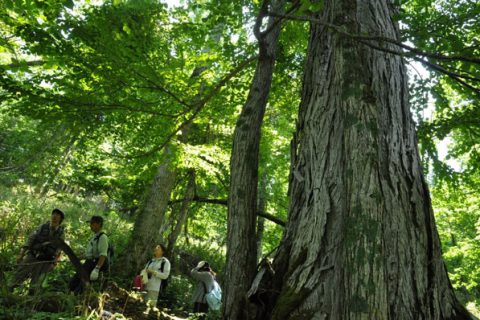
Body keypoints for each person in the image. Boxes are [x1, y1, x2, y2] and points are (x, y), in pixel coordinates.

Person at [10, 208, 65, 294]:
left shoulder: (61, 232)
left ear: (60, 219)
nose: (54, 216)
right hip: (33, 255)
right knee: (19, 275)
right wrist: (21, 255)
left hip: (46, 261)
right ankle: (7, 293)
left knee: (36, 284)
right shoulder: (42, 227)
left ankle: (30, 302)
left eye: (57, 215)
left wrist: (54, 263)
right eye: (53, 214)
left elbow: (59, 248)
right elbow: (30, 240)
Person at [69, 215, 109, 294]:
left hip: (95, 264)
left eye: (92, 223)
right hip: (89, 262)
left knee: (83, 283)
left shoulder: (103, 237)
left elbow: (103, 255)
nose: (90, 226)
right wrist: (78, 258)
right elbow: (90, 254)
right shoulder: (94, 237)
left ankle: (77, 299)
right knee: (75, 279)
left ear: (98, 224)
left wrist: (96, 269)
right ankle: (69, 294)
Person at [140, 244, 170, 308]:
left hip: (155, 288)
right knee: (141, 307)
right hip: (145, 286)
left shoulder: (165, 262)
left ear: (162, 252)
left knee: (150, 308)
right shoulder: (151, 261)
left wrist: (153, 272)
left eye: (158, 248)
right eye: (156, 247)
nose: (156, 249)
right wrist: (141, 278)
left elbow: (165, 276)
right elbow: (144, 271)